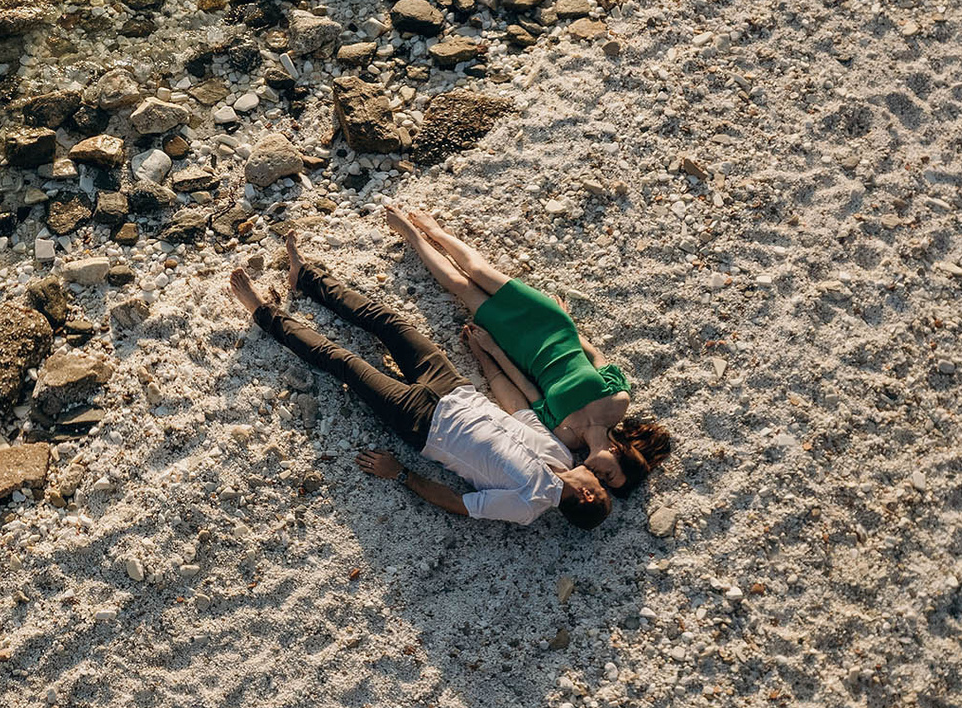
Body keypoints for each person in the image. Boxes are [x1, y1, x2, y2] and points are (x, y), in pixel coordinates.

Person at [226, 231, 613, 529]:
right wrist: (485, 356)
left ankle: (262, 312)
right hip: (456, 388)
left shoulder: (527, 505)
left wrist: (401, 474)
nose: (597, 477)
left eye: (599, 486)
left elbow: (459, 504)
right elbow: (518, 411)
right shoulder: (562, 454)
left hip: (422, 423)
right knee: (388, 322)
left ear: (588, 497)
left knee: (341, 361)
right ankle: (305, 277)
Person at [384, 206, 670, 494]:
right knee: (479, 270)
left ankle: (410, 234)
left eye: (604, 483)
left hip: (520, 350)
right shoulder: (618, 402)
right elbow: (596, 357)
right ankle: (434, 230)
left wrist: (492, 351)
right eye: (610, 475)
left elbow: (527, 389)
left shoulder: (567, 438)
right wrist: (569, 324)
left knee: (462, 286)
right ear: (619, 454)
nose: (601, 477)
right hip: (553, 326)